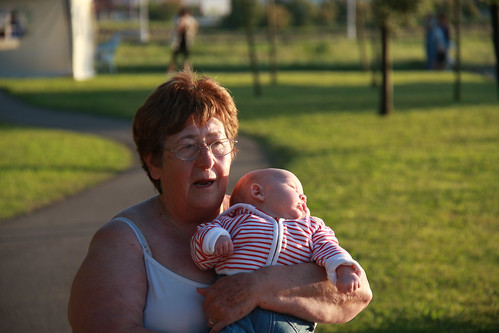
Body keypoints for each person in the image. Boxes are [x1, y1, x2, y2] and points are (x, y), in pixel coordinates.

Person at [68, 71, 372, 333]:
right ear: (154, 164)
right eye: (187, 146)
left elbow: (356, 295)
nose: (207, 160)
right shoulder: (122, 241)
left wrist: (259, 286)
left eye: (217, 144)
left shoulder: (267, 217)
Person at [191, 168, 363, 332]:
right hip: (236, 312)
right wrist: (215, 239)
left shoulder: (312, 227)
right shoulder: (234, 222)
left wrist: (343, 267)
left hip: (288, 316)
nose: (303, 197)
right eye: (294, 188)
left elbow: (328, 246)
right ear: (258, 192)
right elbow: (202, 241)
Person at [168, 8, 198, 73]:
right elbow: (177, 29)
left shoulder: (190, 20)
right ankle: (171, 70)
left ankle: (187, 70)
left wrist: (192, 30)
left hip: (186, 42)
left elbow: (195, 26)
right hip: (177, 41)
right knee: (174, 57)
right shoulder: (177, 19)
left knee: (186, 57)